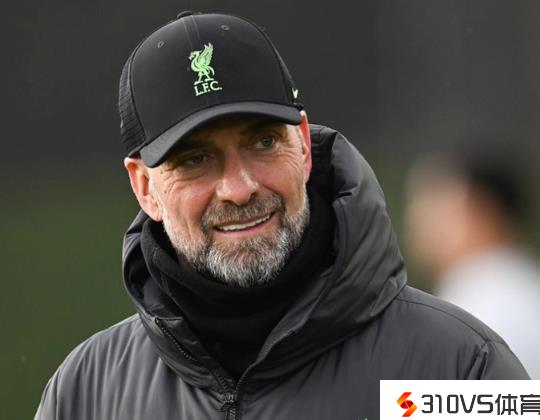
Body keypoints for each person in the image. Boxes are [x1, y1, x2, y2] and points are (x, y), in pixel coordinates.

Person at [34, 12, 528, 420]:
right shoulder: (83, 394)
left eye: (264, 142)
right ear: (145, 188)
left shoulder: (465, 366)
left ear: (304, 146)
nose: (239, 188)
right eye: (195, 159)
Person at [405, 145, 540, 379]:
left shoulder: (483, 305)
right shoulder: (515, 286)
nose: (415, 213)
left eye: (430, 197)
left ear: (475, 206)